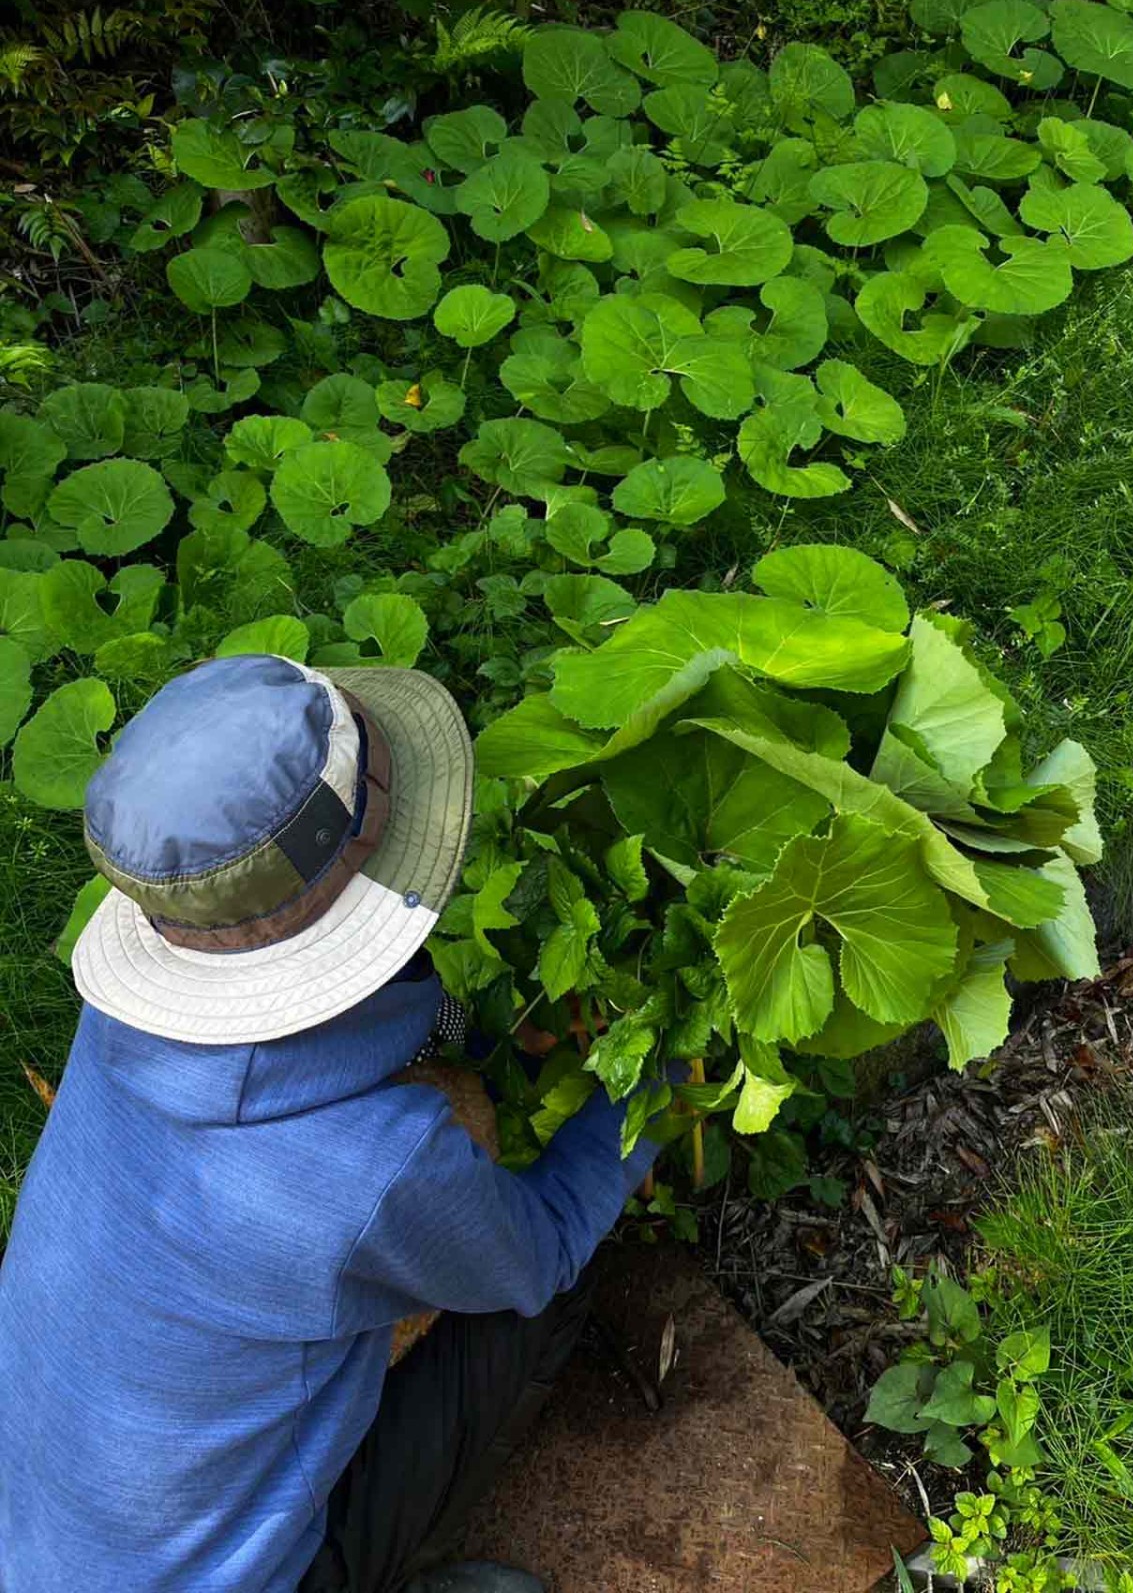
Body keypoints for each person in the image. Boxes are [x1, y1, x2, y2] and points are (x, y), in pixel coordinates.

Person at [0, 655, 667, 1593]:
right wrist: (655, 1079)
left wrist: (482, 1035)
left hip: (47, 1546)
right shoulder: (378, 1167)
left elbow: (357, 1037)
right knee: (547, 1291)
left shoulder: (126, 1019)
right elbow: (543, 1245)